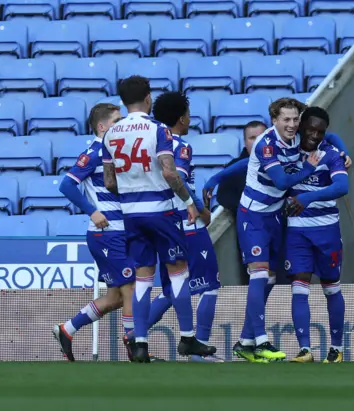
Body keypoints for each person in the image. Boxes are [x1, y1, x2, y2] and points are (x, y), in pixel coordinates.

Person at [202, 98, 350, 363]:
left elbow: (332, 135)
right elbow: (280, 179)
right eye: (286, 120)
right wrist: (308, 168)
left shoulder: (298, 138)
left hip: (278, 217)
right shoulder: (268, 144)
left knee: (269, 279)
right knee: (259, 276)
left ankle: (245, 341)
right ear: (274, 120)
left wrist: (343, 150)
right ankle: (260, 342)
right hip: (254, 214)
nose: (292, 125)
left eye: (295, 120)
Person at [102, 76, 216, 362]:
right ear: (148, 98)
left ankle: (139, 342)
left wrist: (131, 187)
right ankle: (188, 338)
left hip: (131, 213)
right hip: (161, 210)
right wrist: (189, 202)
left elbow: (109, 182)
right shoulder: (158, 130)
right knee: (178, 272)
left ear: (123, 101)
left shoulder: (111, 134)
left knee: (143, 278)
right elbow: (169, 172)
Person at [52, 103, 137, 362]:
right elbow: (66, 185)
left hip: (118, 231)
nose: (121, 125)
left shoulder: (114, 151)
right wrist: (91, 211)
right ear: (102, 127)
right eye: (116, 121)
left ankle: (67, 329)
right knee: (130, 286)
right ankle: (134, 344)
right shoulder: (95, 151)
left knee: (115, 297)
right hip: (107, 232)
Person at [283, 107, 349, 364]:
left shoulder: (330, 154)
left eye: (320, 132)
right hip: (297, 230)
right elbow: (254, 161)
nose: (314, 135)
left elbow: (343, 186)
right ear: (300, 126)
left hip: (327, 230)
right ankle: (305, 349)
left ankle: (336, 349)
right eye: (310, 129)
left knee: (331, 287)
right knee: (299, 287)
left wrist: (307, 197)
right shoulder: (287, 151)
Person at [216, 121, 268, 212]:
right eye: (252, 138)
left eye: (261, 137)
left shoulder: (283, 163)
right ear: (245, 142)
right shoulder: (234, 167)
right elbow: (223, 197)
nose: (257, 142)